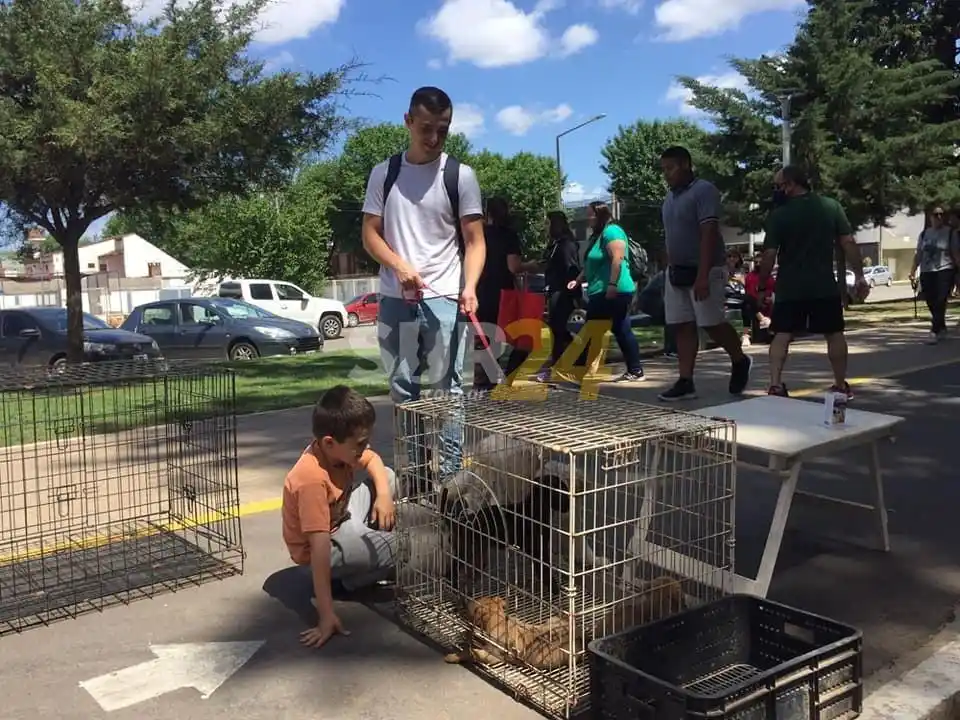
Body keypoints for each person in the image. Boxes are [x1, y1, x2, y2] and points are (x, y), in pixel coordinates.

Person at [361, 86, 485, 481]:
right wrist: (398, 265)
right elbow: (370, 233)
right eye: (426, 128)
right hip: (396, 297)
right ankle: (414, 477)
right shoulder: (385, 173)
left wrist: (470, 287)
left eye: (443, 130)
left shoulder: (460, 176)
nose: (433, 139)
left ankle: (449, 481)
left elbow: (475, 241)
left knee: (448, 392)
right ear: (408, 122)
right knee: (403, 389)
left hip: (445, 297)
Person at [282, 386, 397, 650]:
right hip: (323, 551)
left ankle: (364, 558)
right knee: (401, 546)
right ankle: (350, 575)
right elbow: (320, 550)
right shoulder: (310, 480)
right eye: (359, 444)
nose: (365, 448)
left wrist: (383, 496)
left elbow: (373, 460)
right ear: (330, 443)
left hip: (342, 519)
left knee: (387, 478)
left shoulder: (337, 451)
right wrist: (325, 616)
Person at [757, 166, 868, 398]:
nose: (777, 191)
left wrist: (761, 285)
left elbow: (769, 254)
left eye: (779, 186)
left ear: (790, 184)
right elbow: (847, 242)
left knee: (782, 333)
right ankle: (840, 385)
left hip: (790, 286)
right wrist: (859, 275)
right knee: (834, 333)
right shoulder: (830, 207)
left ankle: (776, 385)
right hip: (823, 285)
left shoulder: (780, 215)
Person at [657, 146, 752, 401]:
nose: (666, 174)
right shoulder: (669, 198)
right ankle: (686, 381)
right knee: (682, 325)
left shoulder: (704, 190)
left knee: (710, 323)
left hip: (706, 269)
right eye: (663, 169)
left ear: (686, 164)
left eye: (671, 168)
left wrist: (702, 274)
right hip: (676, 273)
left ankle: (740, 359)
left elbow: (708, 232)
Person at [568, 201, 645, 383]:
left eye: (591, 214)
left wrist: (612, 284)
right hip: (602, 290)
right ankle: (635, 370)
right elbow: (591, 265)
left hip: (612, 290)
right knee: (621, 329)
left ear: (600, 214)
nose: (588, 218)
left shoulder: (612, 231)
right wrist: (577, 281)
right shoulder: (598, 236)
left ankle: (579, 372)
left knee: (591, 330)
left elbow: (617, 258)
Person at [474, 196, 524, 390]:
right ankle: (502, 376)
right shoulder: (509, 235)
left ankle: (483, 380)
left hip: (481, 290)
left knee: (483, 336)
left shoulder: (480, 234)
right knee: (515, 338)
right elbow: (513, 267)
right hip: (504, 292)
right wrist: (530, 265)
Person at [533, 211, 582, 383]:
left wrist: (573, 293)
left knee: (558, 330)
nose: (545, 227)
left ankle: (559, 366)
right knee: (558, 330)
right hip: (554, 290)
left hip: (563, 292)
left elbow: (572, 269)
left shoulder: (566, 245)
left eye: (547, 223)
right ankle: (570, 360)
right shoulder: (555, 245)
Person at [908, 203, 959, 344]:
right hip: (927, 271)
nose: (938, 217)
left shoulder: (950, 232)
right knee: (930, 301)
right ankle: (941, 326)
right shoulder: (924, 234)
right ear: (930, 217)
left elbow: (955, 254)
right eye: (935, 214)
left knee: (940, 300)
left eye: (941, 214)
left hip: (945, 270)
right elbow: (919, 254)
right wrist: (912, 270)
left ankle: (934, 331)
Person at [741, 255, 775, 346]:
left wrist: (769, 299)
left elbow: (773, 290)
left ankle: (766, 327)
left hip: (767, 305)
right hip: (754, 306)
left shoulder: (768, 277)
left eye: (760, 262)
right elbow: (749, 293)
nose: (758, 264)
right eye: (756, 262)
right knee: (747, 303)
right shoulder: (749, 277)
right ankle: (746, 335)